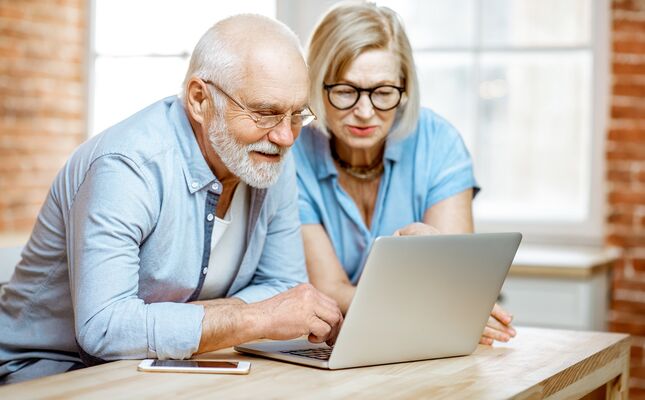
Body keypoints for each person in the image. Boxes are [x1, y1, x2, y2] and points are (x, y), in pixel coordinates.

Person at [0, 14, 343, 385]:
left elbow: (283, 286)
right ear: (200, 99)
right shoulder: (127, 166)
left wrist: (169, 321)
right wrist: (252, 318)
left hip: (166, 367)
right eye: (264, 113)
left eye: (296, 115)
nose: (285, 136)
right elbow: (105, 328)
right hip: (50, 372)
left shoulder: (270, 156)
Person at [293, 2, 514, 345]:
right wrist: (436, 308)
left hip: (422, 343)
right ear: (316, 86)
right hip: (336, 342)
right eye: (345, 91)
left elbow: (455, 282)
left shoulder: (439, 142)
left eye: (383, 92)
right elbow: (328, 290)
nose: (365, 112)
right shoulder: (294, 157)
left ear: (405, 90)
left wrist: (448, 295)